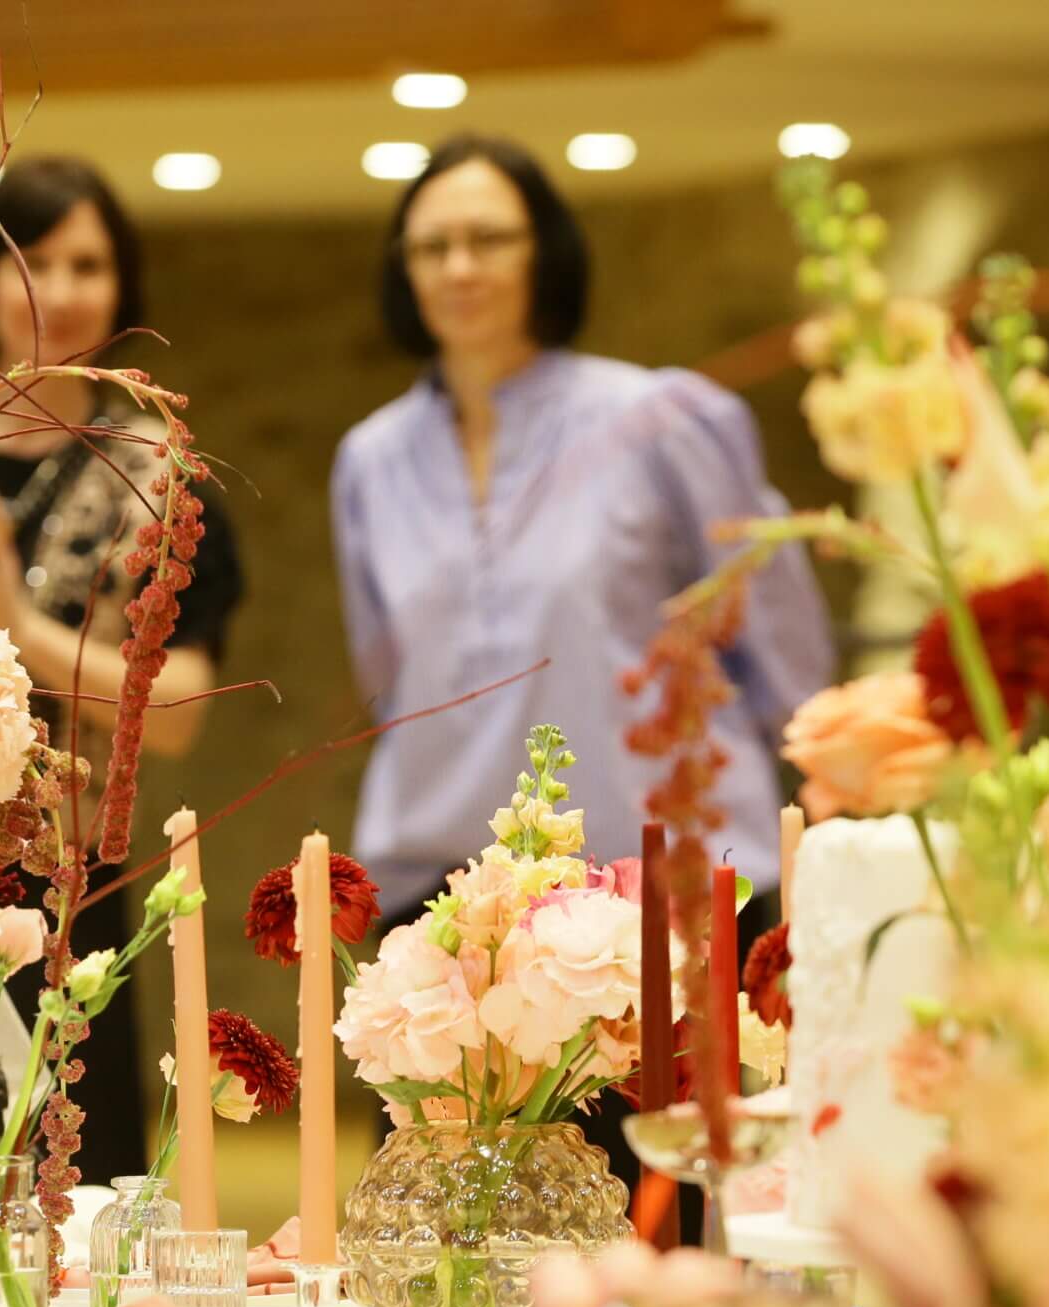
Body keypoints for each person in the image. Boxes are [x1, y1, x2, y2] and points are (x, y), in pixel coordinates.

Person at [331, 136, 832, 1222]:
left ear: (542, 254)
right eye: (432, 245)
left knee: (680, 1234)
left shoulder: (664, 417)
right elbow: (387, 669)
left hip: (667, 887)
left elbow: (777, 638)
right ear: (402, 269)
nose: (460, 266)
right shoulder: (368, 458)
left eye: (488, 239)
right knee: (459, 1246)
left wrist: (819, 816)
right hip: (449, 900)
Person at [0, 155, 246, 1182]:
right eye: (31, 262)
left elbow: (173, 713)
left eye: (88, 264)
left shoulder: (159, 469)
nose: (62, 292)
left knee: (65, 1168)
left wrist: (13, 615)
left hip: (67, 876)